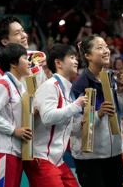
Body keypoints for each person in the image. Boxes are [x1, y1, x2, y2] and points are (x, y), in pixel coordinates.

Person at [24, 44, 88, 187]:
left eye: (76, 57)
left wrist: (80, 126)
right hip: (41, 158)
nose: (76, 61)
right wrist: (75, 106)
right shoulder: (50, 86)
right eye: (71, 57)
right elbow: (47, 117)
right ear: (58, 63)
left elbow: (65, 126)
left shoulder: (69, 91)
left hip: (57, 161)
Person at [71, 35, 123, 187]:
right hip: (90, 158)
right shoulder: (79, 85)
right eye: (99, 48)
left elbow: (121, 113)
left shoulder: (112, 77)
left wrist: (122, 91)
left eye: (105, 47)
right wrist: (98, 114)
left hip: (114, 154)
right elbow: (74, 126)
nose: (106, 51)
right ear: (87, 56)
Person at [0, 43, 33, 187]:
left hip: (14, 151)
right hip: (1, 151)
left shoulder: (20, 86)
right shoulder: (2, 84)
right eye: (25, 58)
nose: (29, 62)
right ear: (13, 63)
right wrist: (13, 130)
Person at [0, 15, 50, 88]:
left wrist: (49, 74)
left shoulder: (37, 57)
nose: (24, 35)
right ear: (5, 42)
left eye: (23, 31)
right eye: (17, 33)